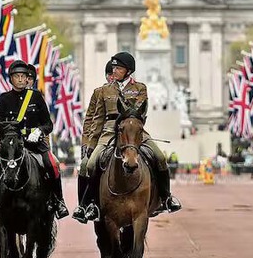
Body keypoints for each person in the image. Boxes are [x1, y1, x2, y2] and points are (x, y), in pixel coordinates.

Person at [72, 51, 181, 223]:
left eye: (118, 68)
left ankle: (166, 198)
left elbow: (139, 113)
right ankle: (87, 204)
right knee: (90, 163)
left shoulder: (140, 88)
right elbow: (99, 118)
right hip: (108, 131)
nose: (114, 71)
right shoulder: (103, 90)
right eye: (113, 68)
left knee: (160, 157)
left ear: (128, 71)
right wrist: (90, 144)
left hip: (134, 131)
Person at [0, 60, 68, 222]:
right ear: (11, 79)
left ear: (27, 79)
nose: (20, 80)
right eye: (17, 77)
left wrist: (39, 131)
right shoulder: (4, 99)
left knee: (52, 165)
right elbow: (0, 126)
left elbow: (48, 123)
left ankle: (58, 200)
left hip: (36, 144)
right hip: (13, 147)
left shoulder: (36, 97)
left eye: (23, 77)